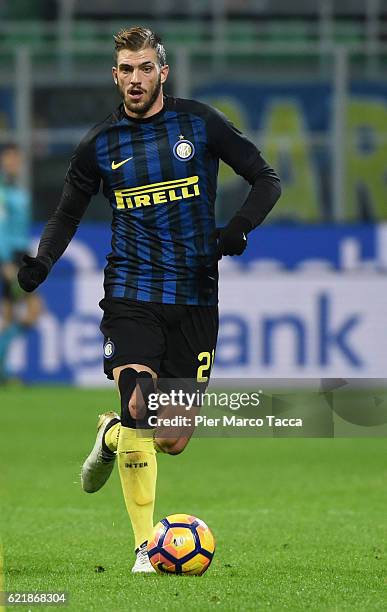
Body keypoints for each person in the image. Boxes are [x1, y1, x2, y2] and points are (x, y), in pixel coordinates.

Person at [17, 26, 281, 572]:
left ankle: (111, 435)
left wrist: (238, 228)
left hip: (195, 296)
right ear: (115, 77)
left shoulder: (199, 123)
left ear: (163, 72)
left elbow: (265, 178)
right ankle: (144, 549)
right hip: (131, 292)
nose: (135, 80)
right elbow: (67, 212)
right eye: (125, 70)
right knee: (139, 397)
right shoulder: (99, 143)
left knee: (172, 437)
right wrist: (43, 262)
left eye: (144, 68)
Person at [0, 144, 42, 384]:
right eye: (9, 158)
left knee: (8, 317)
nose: (13, 162)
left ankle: (2, 373)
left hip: (21, 254)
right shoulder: (3, 191)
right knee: (34, 310)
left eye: (16, 158)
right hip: (11, 257)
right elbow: (2, 228)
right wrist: (5, 262)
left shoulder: (15, 187)